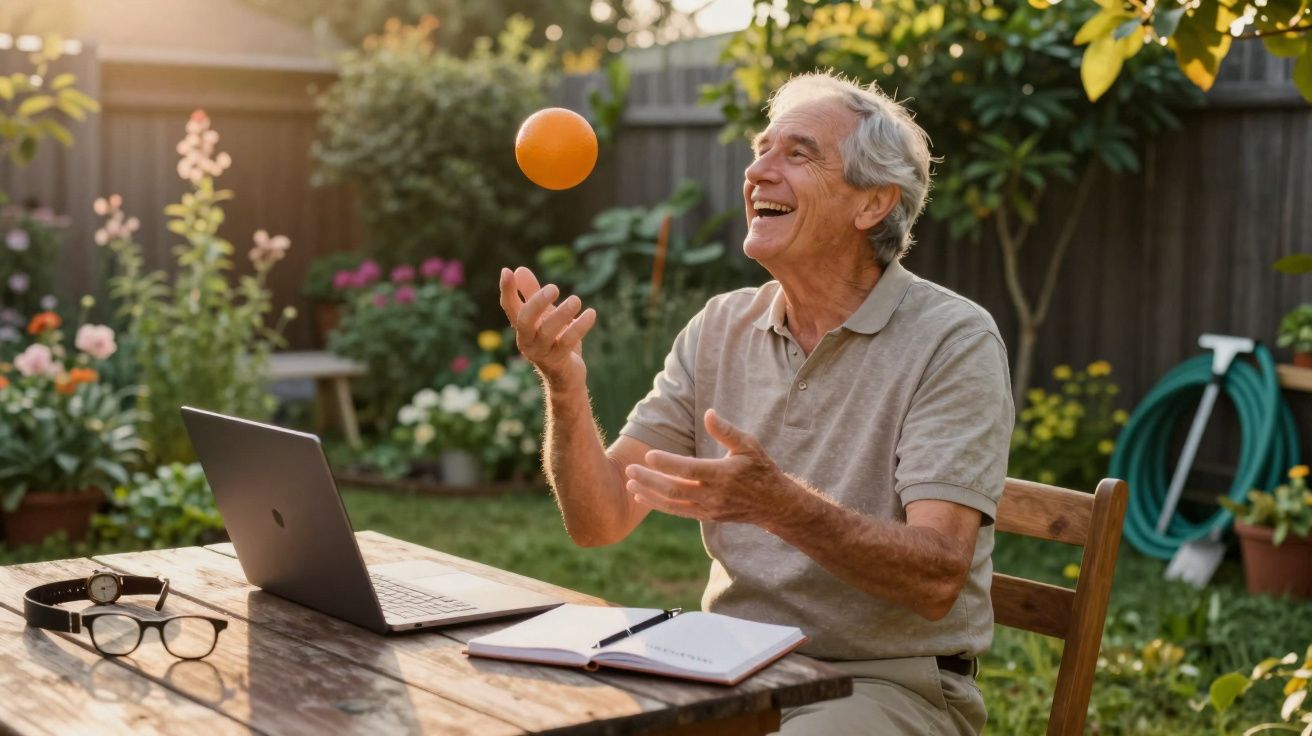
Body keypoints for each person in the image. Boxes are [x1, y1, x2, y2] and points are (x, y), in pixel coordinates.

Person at [498, 71, 1013, 735]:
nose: (757, 172)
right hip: (728, 668)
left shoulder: (951, 339)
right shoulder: (720, 327)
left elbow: (938, 576)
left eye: (796, 154)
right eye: (760, 150)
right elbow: (600, 519)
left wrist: (777, 504)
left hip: (884, 684)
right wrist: (564, 385)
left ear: (872, 203)